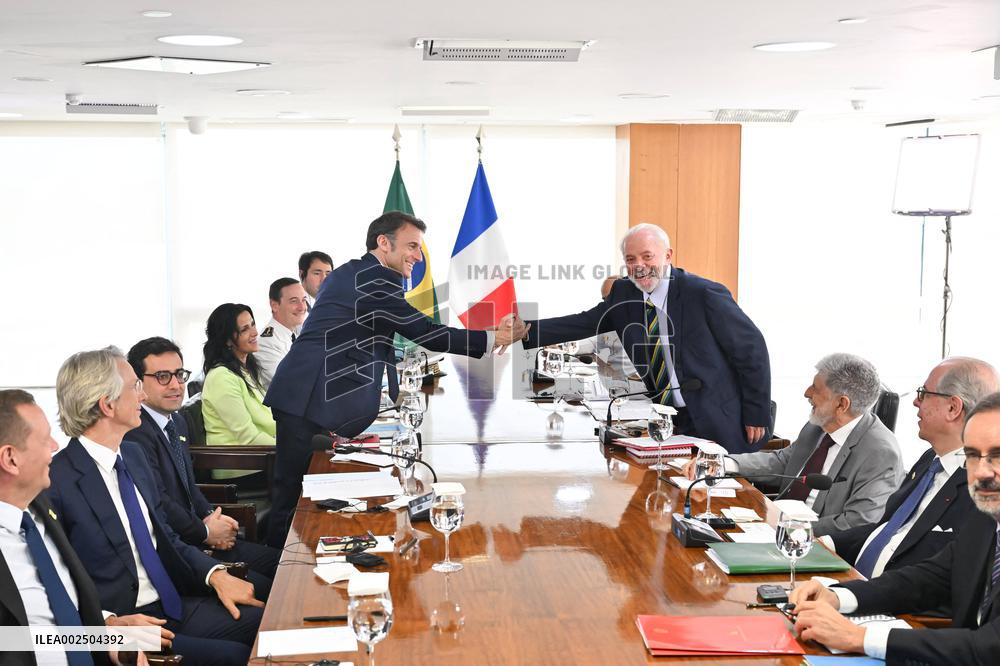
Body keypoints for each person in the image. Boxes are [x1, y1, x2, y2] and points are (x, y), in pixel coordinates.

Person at [264, 211, 527, 547]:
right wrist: (493, 339)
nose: (418, 257)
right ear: (383, 243)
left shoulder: (360, 273)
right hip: (306, 396)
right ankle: (273, 580)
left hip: (313, 396)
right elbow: (424, 332)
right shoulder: (370, 280)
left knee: (301, 496)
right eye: (412, 246)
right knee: (291, 500)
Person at [47, 348, 264, 666]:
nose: (143, 395)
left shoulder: (132, 455)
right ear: (107, 405)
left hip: (171, 603)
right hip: (127, 626)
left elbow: (165, 537)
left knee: (269, 620)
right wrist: (107, 626)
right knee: (236, 657)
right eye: (135, 386)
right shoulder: (57, 482)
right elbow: (58, 584)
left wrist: (214, 574)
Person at [521, 223, 771, 453]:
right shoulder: (623, 293)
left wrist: (757, 413)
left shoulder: (703, 293)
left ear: (668, 255)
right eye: (631, 259)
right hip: (669, 421)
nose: (639, 265)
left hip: (720, 418)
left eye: (647, 256)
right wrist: (523, 330)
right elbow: (583, 322)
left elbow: (752, 350)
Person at [790, 392, 1000, 663]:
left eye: (996, 456)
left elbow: (990, 646)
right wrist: (837, 596)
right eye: (972, 456)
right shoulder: (985, 521)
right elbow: (926, 579)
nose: (981, 471)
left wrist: (859, 638)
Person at [820, 357, 996, 588]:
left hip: (899, 609)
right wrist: (821, 543)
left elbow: (945, 582)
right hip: (856, 586)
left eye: (924, 393)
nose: (915, 402)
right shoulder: (929, 460)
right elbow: (885, 528)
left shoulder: (982, 488)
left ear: (953, 407)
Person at [686, 353, 903, 536]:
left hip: (817, 545)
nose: (807, 393)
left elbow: (857, 523)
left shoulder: (880, 453)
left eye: (816, 388)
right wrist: (723, 464)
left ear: (841, 404)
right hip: (773, 527)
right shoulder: (817, 426)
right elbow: (782, 461)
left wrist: (789, 528)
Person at [125, 337, 280, 584]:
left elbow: (189, 485)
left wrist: (211, 515)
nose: (176, 385)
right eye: (163, 376)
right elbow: (160, 501)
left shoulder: (176, 421)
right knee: (271, 587)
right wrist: (206, 532)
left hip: (201, 532)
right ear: (138, 383)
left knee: (283, 563)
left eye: (179, 374)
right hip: (179, 548)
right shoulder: (135, 433)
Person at [0, 389, 116, 666]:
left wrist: (115, 639)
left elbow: (51, 631)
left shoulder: (40, 511)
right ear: (10, 459)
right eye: (44, 440)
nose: (54, 446)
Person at [201, 304, 275, 448]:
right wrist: (290, 448)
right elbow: (248, 437)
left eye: (252, 324)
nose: (254, 333)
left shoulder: (246, 368)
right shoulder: (221, 377)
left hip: (264, 454)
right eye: (244, 329)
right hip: (244, 464)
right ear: (227, 340)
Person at [255, 278, 308, 390]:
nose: (302, 307)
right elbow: (290, 385)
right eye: (294, 301)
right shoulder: (267, 343)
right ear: (275, 305)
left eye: (303, 300)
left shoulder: (299, 333)